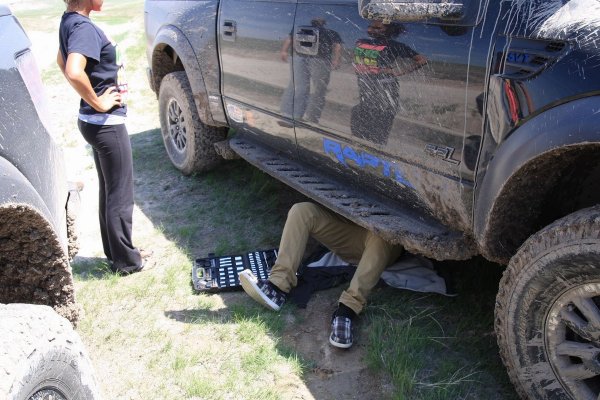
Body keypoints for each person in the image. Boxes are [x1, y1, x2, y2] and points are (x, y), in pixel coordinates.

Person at [57, 0, 148, 274]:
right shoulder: (82, 27)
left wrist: (91, 99)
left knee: (110, 191)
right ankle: (127, 263)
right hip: (105, 123)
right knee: (120, 194)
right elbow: (73, 70)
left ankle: (118, 254)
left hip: (93, 122)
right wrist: (97, 101)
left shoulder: (69, 20)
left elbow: (60, 61)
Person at [240, 202, 403, 349]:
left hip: (383, 237)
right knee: (302, 210)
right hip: (354, 225)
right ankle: (277, 286)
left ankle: (347, 311)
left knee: (381, 236)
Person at [351, 21, 427, 144]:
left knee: (380, 125)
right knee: (361, 123)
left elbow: (422, 60)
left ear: (389, 30)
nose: (371, 30)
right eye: (370, 26)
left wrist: (398, 71)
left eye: (377, 28)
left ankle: (377, 152)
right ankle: (362, 151)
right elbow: (357, 60)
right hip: (366, 89)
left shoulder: (394, 45)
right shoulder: (361, 41)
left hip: (385, 89)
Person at [279, 17, 342, 123]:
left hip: (320, 59)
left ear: (324, 21)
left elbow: (337, 45)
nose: (318, 19)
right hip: (300, 57)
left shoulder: (331, 31)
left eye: (321, 18)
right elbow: (291, 37)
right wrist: (284, 50)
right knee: (299, 85)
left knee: (319, 89)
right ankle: (291, 115)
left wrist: (337, 59)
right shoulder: (302, 26)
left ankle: (312, 117)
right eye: (316, 17)